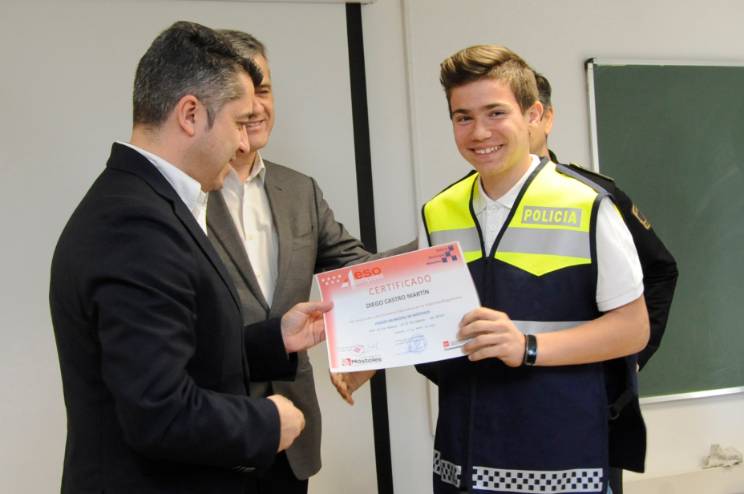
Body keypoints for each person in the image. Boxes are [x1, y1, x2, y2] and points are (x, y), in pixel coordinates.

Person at [335, 44, 650, 494]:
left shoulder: (588, 206)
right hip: (464, 454)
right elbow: (425, 314)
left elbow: (633, 329)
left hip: (561, 456)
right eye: (463, 117)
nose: (479, 132)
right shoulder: (438, 212)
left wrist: (528, 347)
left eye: (496, 113)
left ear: (533, 114)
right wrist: (371, 354)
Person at [49, 21, 333, 494]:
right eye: (239, 123)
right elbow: (158, 411)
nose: (244, 144)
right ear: (190, 114)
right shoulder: (135, 226)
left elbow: (178, 354)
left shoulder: (147, 202)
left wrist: (273, 341)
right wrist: (267, 422)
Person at [205, 30, 415, 494]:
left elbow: (363, 274)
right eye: (240, 95)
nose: (255, 107)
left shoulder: (299, 190)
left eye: (263, 90)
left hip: (291, 436)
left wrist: (446, 240)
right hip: (211, 430)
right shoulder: (185, 194)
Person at [530, 71, 679, 494]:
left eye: (524, 112)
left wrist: (631, 358)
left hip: (588, 399)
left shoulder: (595, 196)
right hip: (503, 403)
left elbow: (661, 270)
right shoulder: (466, 205)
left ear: (546, 117)